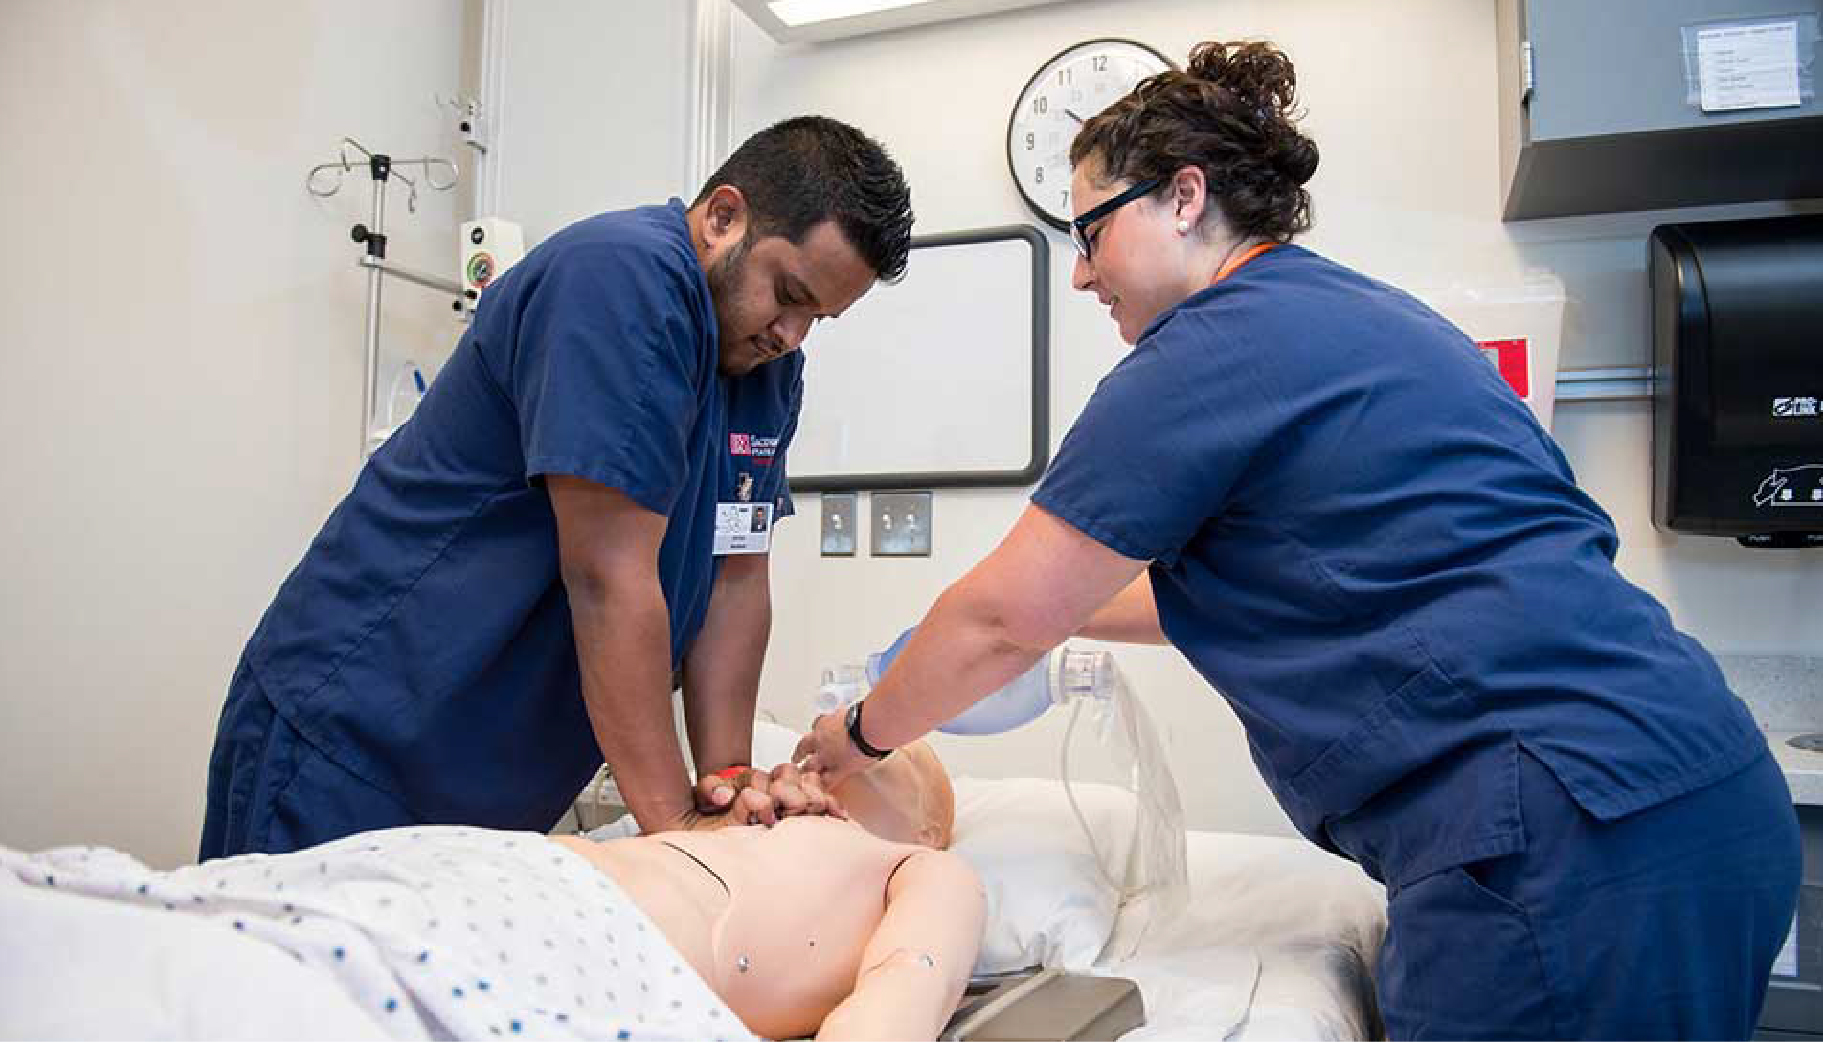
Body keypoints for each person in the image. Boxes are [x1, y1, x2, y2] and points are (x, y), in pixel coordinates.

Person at [797, 40, 1802, 1040]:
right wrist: (1021, 629)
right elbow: (1257, 584)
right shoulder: (1359, 316)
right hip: (1690, 793)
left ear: (1182, 198)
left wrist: (859, 732)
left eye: (1090, 231)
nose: (1081, 273)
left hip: (1566, 841)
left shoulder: (1203, 353)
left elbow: (997, 617)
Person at [201, 116, 914, 859]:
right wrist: (677, 827)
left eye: (817, 319)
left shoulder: (768, 375)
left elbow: (734, 582)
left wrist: (727, 782)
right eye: (787, 293)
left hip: (493, 789)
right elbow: (607, 574)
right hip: (359, 741)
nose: (791, 335)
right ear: (723, 217)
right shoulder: (620, 280)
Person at [5, 742, 981, 1042]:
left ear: (930, 822)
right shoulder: (745, 817)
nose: (826, 757)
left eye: (884, 760)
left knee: (242, 991)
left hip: (578, 941)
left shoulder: (921, 867)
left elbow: (903, 987)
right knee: (203, 916)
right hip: (491, 870)